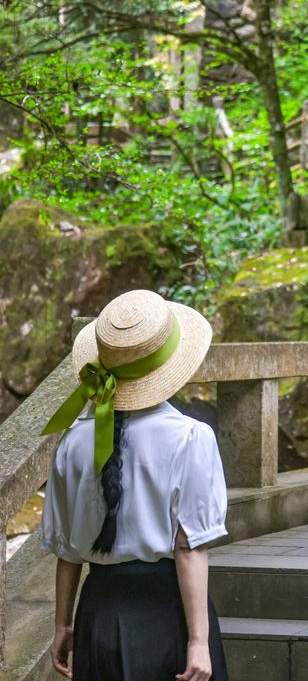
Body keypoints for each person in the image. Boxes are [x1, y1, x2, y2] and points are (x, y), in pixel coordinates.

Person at [39, 288, 229, 681]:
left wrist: (63, 625)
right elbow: (188, 545)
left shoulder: (71, 442)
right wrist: (198, 641)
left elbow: (68, 552)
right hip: (166, 614)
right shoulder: (191, 437)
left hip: (98, 614)